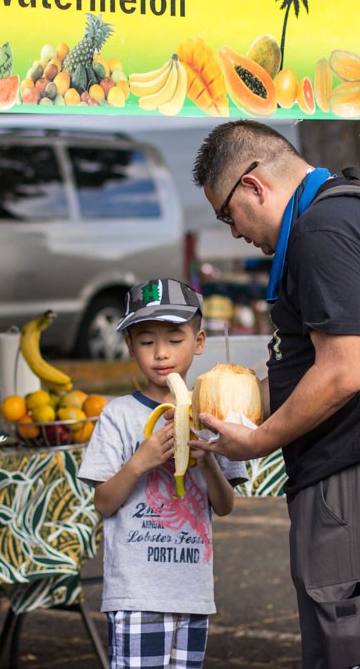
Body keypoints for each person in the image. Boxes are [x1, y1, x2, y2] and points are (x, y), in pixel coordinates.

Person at [189, 120, 360, 669]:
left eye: (228, 214)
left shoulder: (322, 230)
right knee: (354, 628)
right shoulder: (349, 207)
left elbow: (343, 372)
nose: (233, 232)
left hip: (356, 462)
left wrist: (257, 441)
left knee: (350, 639)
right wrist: (248, 394)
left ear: (253, 186)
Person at [78, 278, 248, 669]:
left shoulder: (214, 414)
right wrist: (140, 460)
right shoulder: (117, 415)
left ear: (199, 342)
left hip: (192, 594)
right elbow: (103, 502)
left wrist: (206, 460)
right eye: (146, 341)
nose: (160, 354)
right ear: (129, 347)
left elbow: (224, 506)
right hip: (136, 595)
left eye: (174, 339)